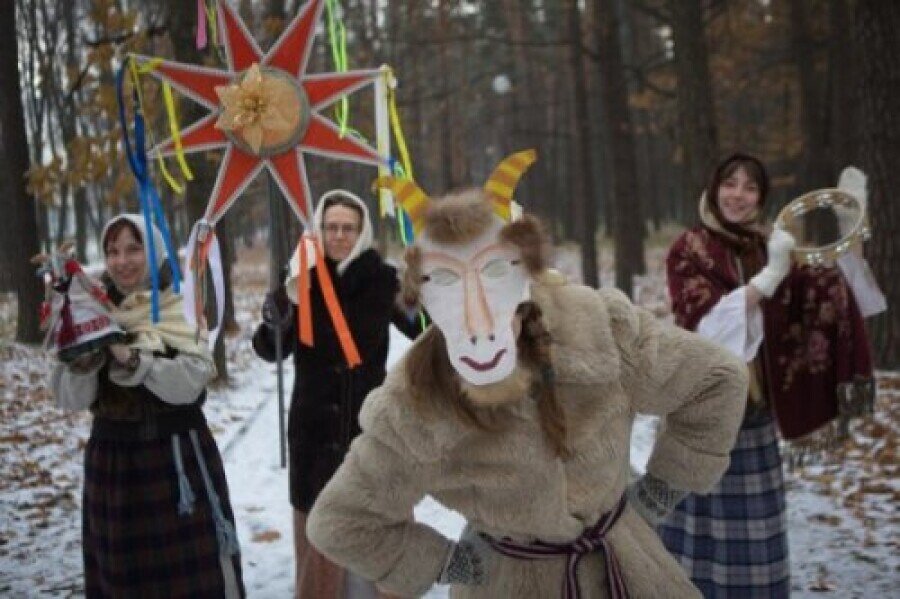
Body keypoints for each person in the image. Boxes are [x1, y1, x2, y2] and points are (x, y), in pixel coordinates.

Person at [303, 151, 750, 598]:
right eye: (446, 281)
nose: (477, 320)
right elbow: (341, 521)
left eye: (495, 271)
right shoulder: (417, 395)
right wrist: (444, 561)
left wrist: (660, 489)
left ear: (525, 270)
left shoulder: (596, 327)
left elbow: (717, 380)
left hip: (625, 573)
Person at [658, 153, 884, 597]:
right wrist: (769, 278)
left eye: (749, 187)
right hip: (702, 420)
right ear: (713, 187)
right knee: (695, 554)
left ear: (761, 197)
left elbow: (835, 300)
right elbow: (704, 328)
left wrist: (850, 235)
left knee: (753, 558)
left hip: (754, 420)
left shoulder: (770, 246)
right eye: (730, 183)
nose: (738, 196)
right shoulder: (689, 248)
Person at [50, 214, 244, 598]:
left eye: (134, 249)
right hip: (115, 468)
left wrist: (132, 358)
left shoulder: (182, 306)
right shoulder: (88, 312)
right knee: (125, 582)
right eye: (113, 251)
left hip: (178, 462)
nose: (123, 260)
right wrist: (87, 356)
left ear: (154, 252)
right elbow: (68, 398)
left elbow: (189, 386)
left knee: (192, 581)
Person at [252, 189, 421, 598]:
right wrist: (278, 311)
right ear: (319, 230)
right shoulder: (301, 278)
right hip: (314, 433)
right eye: (331, 227)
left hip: (370, 431)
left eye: (348, 228)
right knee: (319, 544)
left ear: (362, 231)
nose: (339, 236)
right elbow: (267, 349)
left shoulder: (384, 279)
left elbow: (421, 326)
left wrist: (426, 286)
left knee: (376, 537)